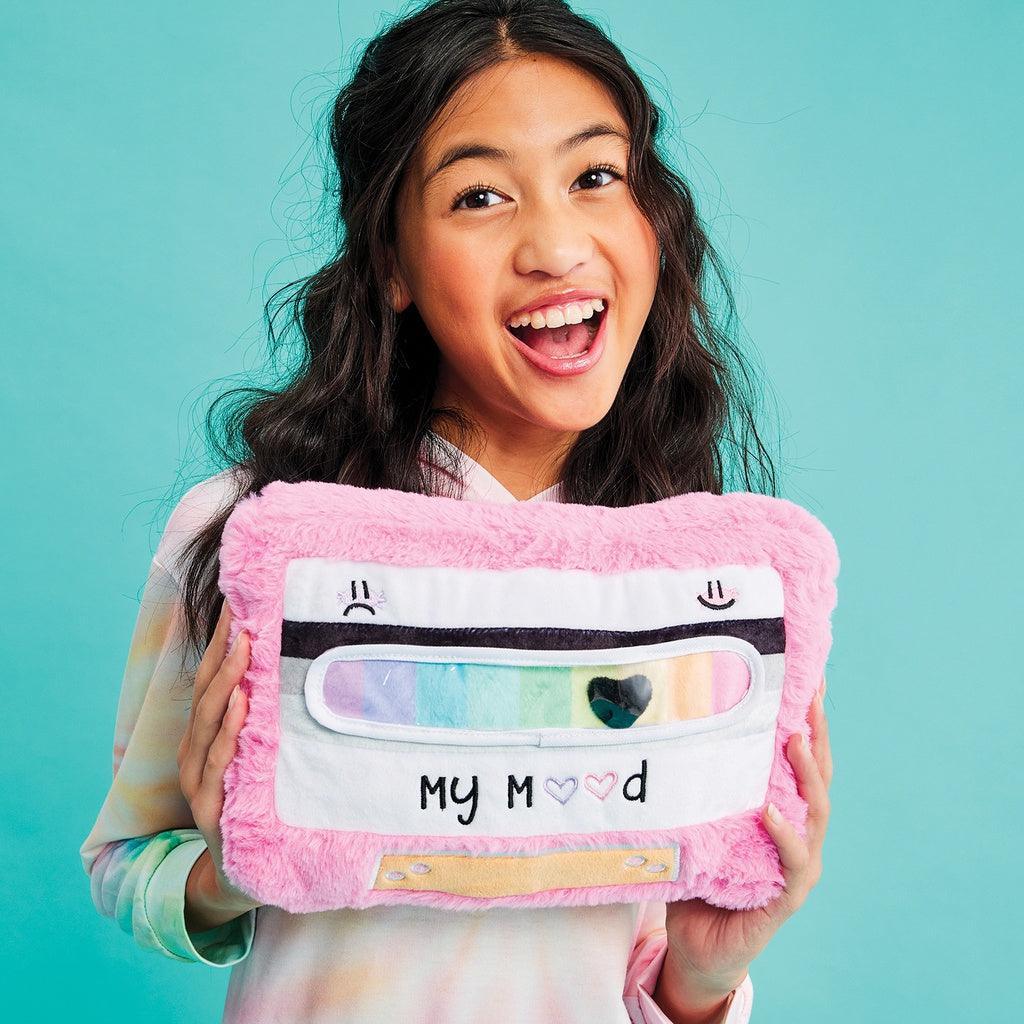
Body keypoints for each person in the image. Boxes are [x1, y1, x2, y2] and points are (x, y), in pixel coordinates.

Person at [80, 1, 833, 1021]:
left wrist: (702, 977)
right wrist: (230, 869)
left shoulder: (695, 576)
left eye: (594, 177)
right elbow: (125, 857)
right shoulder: (254, 544)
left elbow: (659, 943)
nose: (555, 245)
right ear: (391, 262)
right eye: (480, 195)